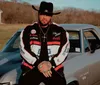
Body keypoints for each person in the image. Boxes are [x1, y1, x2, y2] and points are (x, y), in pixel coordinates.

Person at [18, 1, 70, 85]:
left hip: (53, 67)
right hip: (32, 67)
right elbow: (23, 49)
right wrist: (39, 64)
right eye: (42, 14)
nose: (44, 17)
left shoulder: (60, 31)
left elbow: (65, 50)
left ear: (51, 16)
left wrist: (50, 64)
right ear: (38, 14)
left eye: (48, 15)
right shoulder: (28, 30)